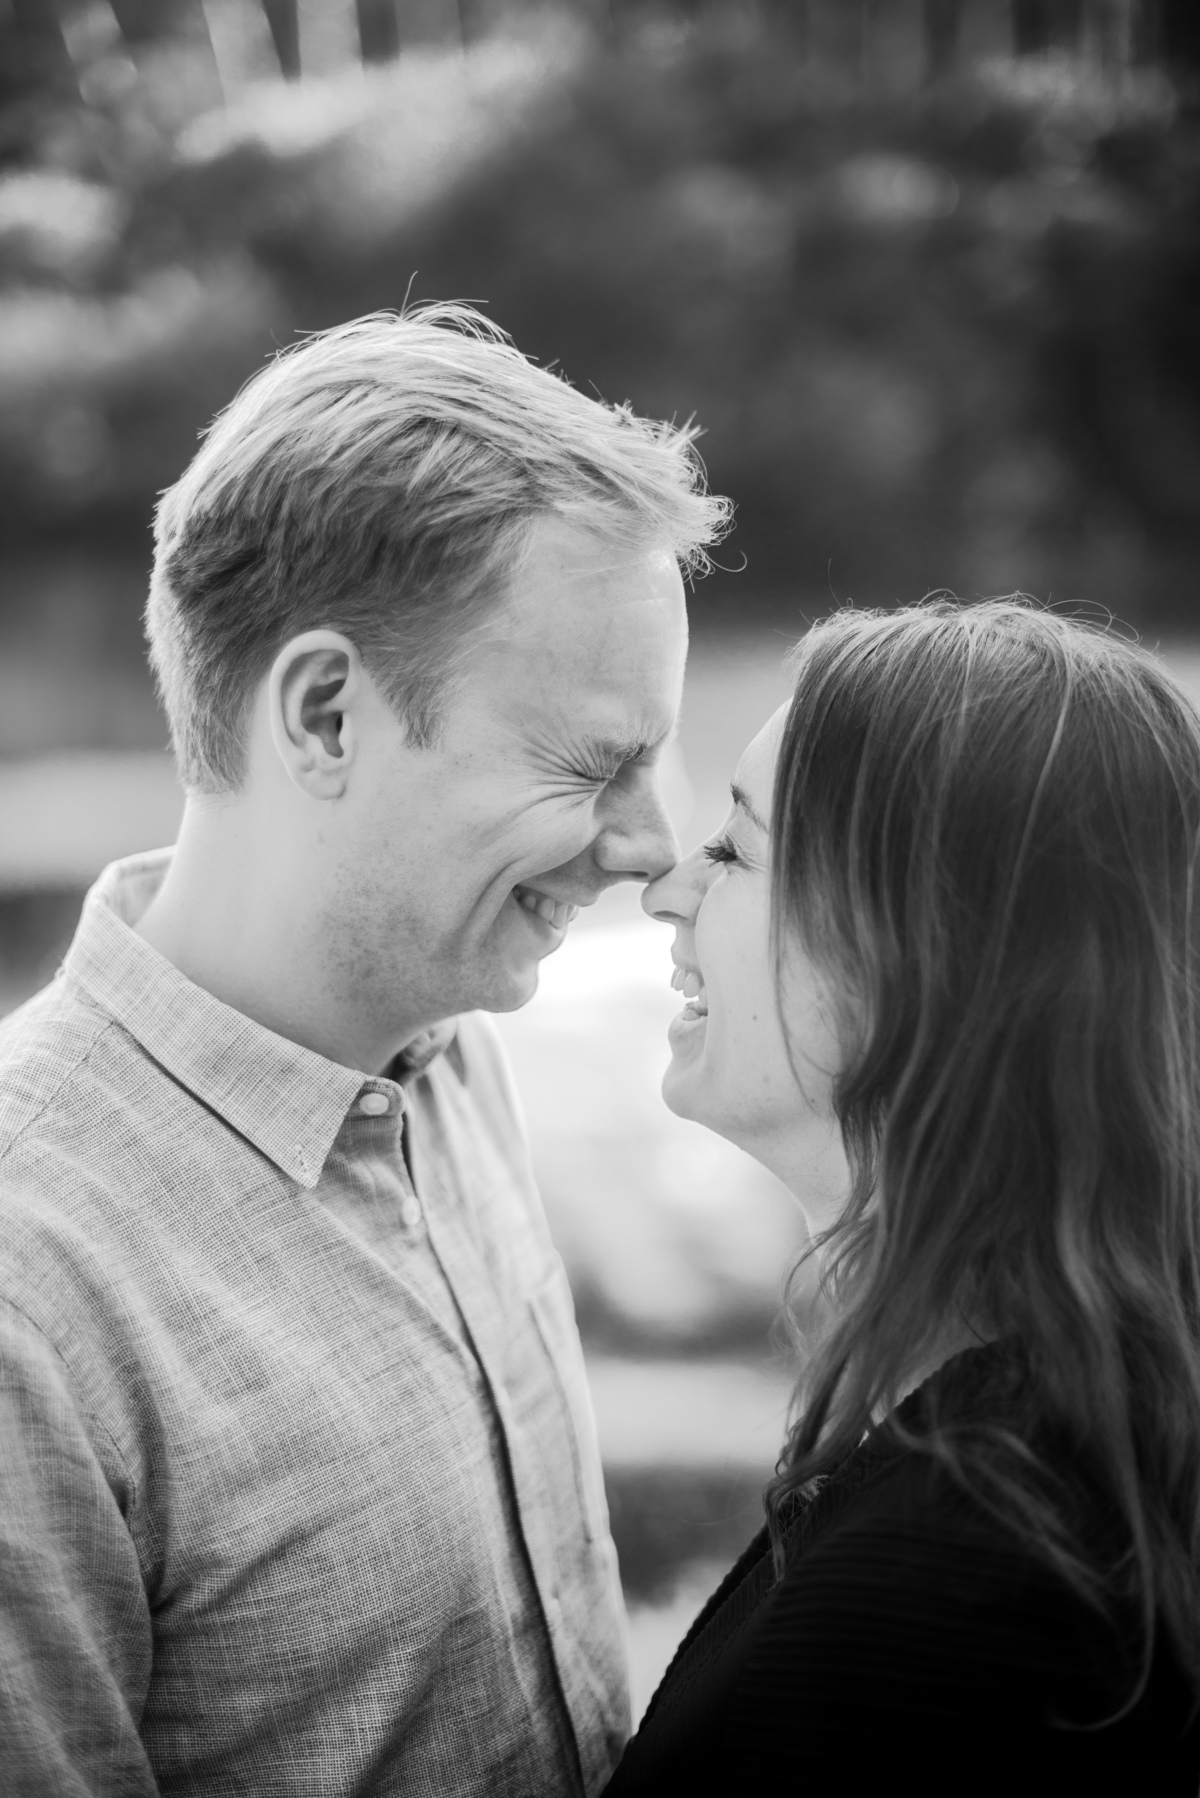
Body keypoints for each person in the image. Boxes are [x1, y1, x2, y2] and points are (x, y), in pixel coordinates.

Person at [0, 304, 728, 1797]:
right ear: (326, 712)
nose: (658, 847)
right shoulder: (30, 1295)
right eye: (594, 762)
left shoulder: (450, 1045)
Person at [608, 599, 1200, 1794]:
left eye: (734, 850)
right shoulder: (1063, 1439)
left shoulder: (952, 1590)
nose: (667, 890)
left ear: (918, 950)